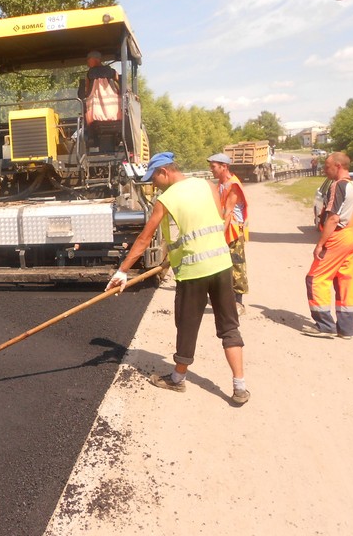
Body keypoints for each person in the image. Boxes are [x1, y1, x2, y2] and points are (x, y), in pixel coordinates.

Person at [106, 152, 250, 405]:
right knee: (229, 326)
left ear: (164, 172)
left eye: (154, 178)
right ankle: (240, 387)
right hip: (221, 265)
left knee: (187, 326)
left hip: (193, 272)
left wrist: (122, 270)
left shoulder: (166, 198)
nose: (154, 184)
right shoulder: (207, 185)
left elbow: (143, 239)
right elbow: (215, 221)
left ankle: (177, 379)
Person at [301, 152, 353, 339]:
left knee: (315, 278)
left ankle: (324, 325)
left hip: (338, 237)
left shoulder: (338, 186)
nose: (324, 169)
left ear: (337, 166)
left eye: (327, 166)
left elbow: (334, 218)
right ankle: (346, 329)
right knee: (344, 280)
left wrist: (320, 243)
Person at [208, 152, 249, 316]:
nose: (212, 170)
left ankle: (238, 304)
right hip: (225, 229)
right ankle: (226, 299)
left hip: (233, 231)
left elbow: (228, 211)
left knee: (236, 266)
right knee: (223, 266)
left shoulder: (233, 185)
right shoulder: (221, 183)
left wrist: (218, 235)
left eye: (214, 167)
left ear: (224, 167)